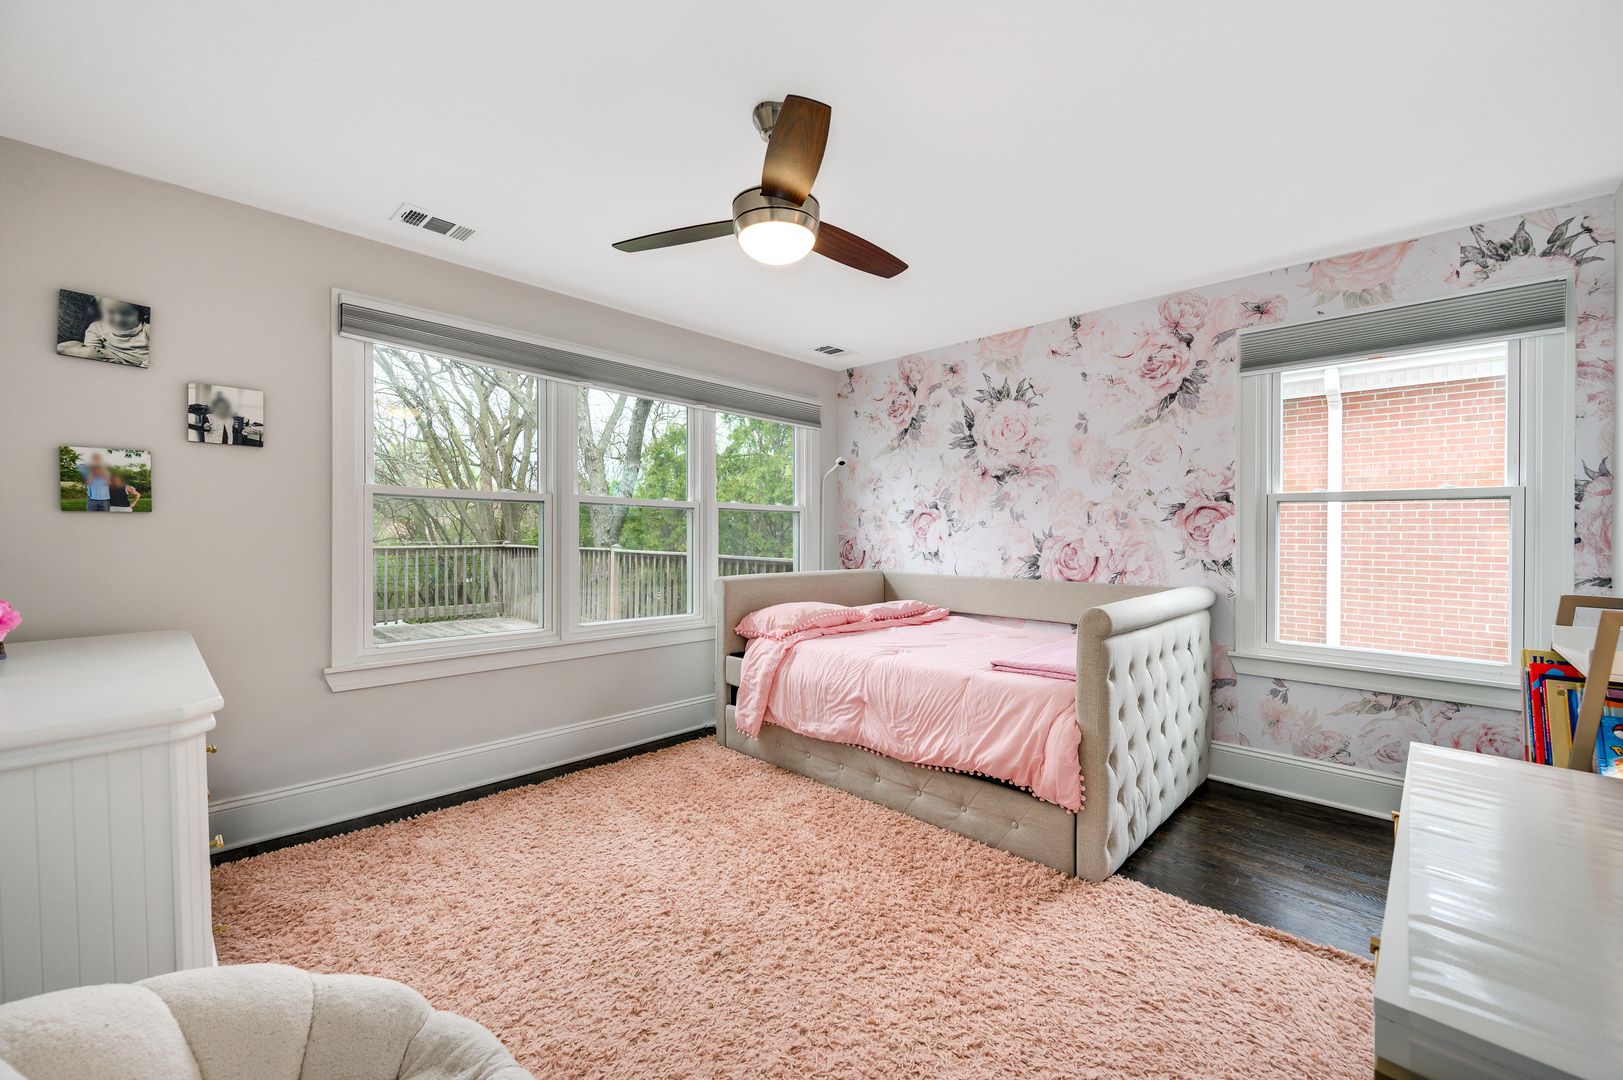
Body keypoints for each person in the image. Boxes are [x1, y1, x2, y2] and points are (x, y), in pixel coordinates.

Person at [57, 297, 150, 367]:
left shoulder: (146, 329)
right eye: (111, 313)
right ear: (102, 312)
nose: (119, 319)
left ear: (140, 315)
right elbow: (93, 350)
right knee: (84, 352)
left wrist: (143, 366)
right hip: (110, 360)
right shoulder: (97, 328)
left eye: (126, 314)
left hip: (138, 365)